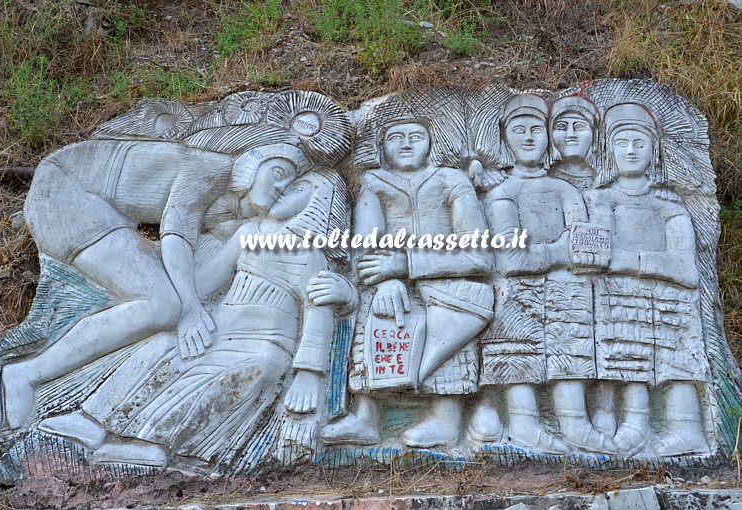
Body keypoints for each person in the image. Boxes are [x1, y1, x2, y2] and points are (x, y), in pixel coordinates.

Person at [37, 164, 355, 469]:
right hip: (219, 329)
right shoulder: (249, 233)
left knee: (243, 373)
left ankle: (155, 444)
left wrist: (308, 374)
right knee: (162, 347)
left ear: (320, 203)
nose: (284, 189)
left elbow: (318, 312)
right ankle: (93, 421)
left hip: (264, 345)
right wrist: (164, 275)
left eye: (299, 187)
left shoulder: (312, 253)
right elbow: (207, 284)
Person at [1, 141, 308, 429]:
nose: (282, 187)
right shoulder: (209, 170)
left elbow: (199, 282)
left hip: (97, 208)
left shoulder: (229, 215)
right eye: (278, 172)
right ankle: (25, 374)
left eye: (291, 186)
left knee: (166, 300)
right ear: (250, 166)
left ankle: (30, 374)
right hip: (66, 193)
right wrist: (189, 310)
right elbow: (177, 234)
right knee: (163, 305)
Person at [321, 119, 493, 448]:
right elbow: (366, 248)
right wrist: (385, 280)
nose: (406, 144)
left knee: (449, 314)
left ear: (431, 143)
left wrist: (407, 264)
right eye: (395, 137)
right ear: (381, 147)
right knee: (378, 305)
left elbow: (480, 256)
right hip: (391, 281)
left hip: (448, 282)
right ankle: (366, 416)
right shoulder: (373, 182)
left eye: (416, 136)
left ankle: (446, 418)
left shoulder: (450, 179)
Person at [470, 93, 614, 454]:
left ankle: (574, 422)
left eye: (537, 129)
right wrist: (557, 249)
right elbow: (512, 260)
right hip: (516, 292)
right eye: (520, 130)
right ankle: (524, 422)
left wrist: (550, 254)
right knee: (517, 343)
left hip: (567, 290)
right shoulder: (502, 193)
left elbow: (587, 249)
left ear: (549, 138)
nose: (530, 138)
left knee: (572, 336)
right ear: (505, 138)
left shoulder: (564, 189)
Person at [581, 102, 710, 457]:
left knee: (676, 357)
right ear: (609, 152)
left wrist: (631, 261)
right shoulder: (596, 200)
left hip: (669, 301)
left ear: (655, 151)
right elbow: (592, 255)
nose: (632, 150)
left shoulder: (669, 205)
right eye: (622, 143)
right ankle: (630, 422)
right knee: (624, 350)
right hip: (620, 300)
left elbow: (686, 269)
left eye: (641, 142)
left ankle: (687, 428)